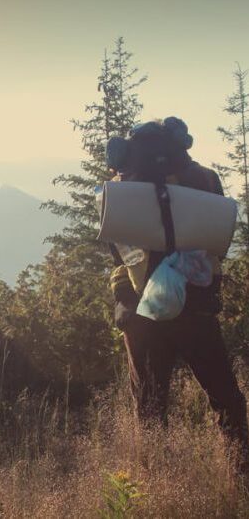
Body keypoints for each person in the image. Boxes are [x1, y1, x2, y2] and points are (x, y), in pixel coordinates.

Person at [106, 118, 249, 471]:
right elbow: (222, 239)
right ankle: (241, 473)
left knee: (150, 406)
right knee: (225, 397)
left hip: (142, 311)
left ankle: (155, 485)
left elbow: (115, 251)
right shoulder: (203, 179)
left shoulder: (121, 187)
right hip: (196, 306)